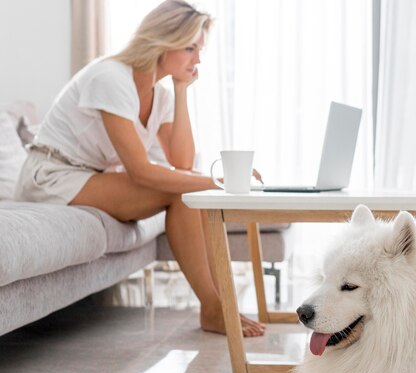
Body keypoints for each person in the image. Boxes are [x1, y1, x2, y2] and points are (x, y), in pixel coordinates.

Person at [14, 0, 266, 337]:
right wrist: (218, 181)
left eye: (199, 50)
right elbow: (141, 172)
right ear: (162, 42)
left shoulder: (158, 93)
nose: (198, 60)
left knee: (189, 187)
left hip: (88, 176)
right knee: (186, 189)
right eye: (190, 48)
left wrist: (180, 91)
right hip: (50, 176)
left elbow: (180, 162)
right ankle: (213, 308)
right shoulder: (111, 77)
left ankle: (222, 304)